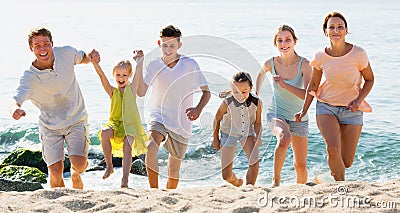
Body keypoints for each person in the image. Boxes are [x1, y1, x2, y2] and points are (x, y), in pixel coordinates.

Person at [10, 27, 97, 189]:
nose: (42, 49)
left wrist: (91, 58)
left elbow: (83, 57)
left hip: (76, 120)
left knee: (79, 165)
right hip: (50, 127)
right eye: (37, 46)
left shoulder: (66, 53)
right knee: (55, 172)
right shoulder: (29, 77)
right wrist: (15, 109)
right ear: (31, 48)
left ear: (52, 43)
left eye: (46, 44)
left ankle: (75, 174)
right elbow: (15, 98)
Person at [295, 12, 374, 181]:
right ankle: (341, 188)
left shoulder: (358, 53)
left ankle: (327, 175)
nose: (336, 30)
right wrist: (303, 111)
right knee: (332, 149)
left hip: (352, 109)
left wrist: (358, 101)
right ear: (325, 31)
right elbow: (313, 85)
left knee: (346, 161)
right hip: (326, 107)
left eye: (340, 27)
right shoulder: (320, 56)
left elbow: (369, 79)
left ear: (346, 30)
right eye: (331, 27)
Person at [135, 25, 211, 189]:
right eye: (164, 45)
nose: (168, 49)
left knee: (173, 170)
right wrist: (139, 64)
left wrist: (198, 109)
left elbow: (206, 93)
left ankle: (169, 195)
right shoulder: (154, 65)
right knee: (151, 146)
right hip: (158, 115)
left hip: (181, 120)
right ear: (159, 43)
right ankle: (154, 191)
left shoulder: (189, 64)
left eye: (172, 45)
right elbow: (141, 92)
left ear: (179, 45)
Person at [256, 25, 312, 187]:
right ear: (276, 44)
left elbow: (307, 95)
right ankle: (276, 182)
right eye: (280, 40)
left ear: (294, 42)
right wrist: (256, 95)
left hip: (300, 116)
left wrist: (284, 85)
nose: (284, 43)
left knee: (300, 165)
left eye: (288, 39)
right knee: (284, 138)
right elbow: (260, 74)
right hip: (276, 113)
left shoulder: (305, 65)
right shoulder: (271, 63)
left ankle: (301, 188)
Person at [90, 50, 148, 188]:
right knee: (105, 133)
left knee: (127, 146)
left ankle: (125, 180)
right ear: (114, 75)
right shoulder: (112, 91)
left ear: (129, 76)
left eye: (124, 75)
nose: (121, 78)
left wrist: (140, 60)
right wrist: (95, 63)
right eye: (118, 75)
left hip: (131, 126)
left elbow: (138, 74)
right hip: (116, 124)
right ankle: (109, 166)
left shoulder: (132, 89)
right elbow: (101, 77)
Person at [212, 72, 262, 187]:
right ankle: (238, 182)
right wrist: (215, 138)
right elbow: (217, 118)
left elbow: (258, 123)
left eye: (244, 92)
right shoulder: (227, 102)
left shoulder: (257, 102)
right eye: (235, 92)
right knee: (226, 176)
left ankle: (250, 187)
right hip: (228, 133)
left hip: (247, 133)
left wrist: (258, 136)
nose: (240, 96)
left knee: (254, 162)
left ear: (250, 88)